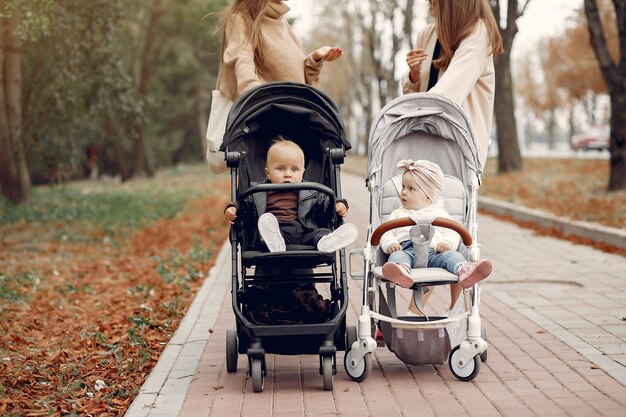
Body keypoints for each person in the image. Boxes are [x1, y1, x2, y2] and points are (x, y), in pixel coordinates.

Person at [380, 159, 492, 316]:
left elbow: (452, 232)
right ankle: (400, 271)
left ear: (428, 197)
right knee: (396, 256)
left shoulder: (440, 214)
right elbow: (386, 233)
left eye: (411, 189)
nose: (403, 192)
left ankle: (464, 269)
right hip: (406, 249)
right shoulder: (397, 214)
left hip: (435, 253)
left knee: (453, 256)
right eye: (403, 187)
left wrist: (446, 243)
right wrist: (390, 243)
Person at [403, 0, 503, 168]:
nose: (429, 1)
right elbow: (412, 99)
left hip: (457, 152)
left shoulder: (478, 34)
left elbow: (446, 97)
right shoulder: (426, 35)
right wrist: (414, 76)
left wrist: (403, 119)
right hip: (421, 143)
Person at [224, 138, 358, 253]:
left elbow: (325, 204)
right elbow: (244, 204)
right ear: (268, 172)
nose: (288, 174)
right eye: (280, 168)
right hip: (275, 229)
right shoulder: (257, 192)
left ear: (302, 172)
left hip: (304, 230)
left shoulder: (311, 191)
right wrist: (233, 208)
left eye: (294, 169)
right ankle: (274, 242)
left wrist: (338, 205)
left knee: (320, 232)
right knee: (264, 234)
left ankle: (326, 241)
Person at [216, 0, 344, 102]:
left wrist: (314, 60)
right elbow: (241, 60)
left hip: (296, 117)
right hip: (264, 120)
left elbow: (296, 80)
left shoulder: (282, 22)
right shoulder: (241, 18)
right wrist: (256, 97)